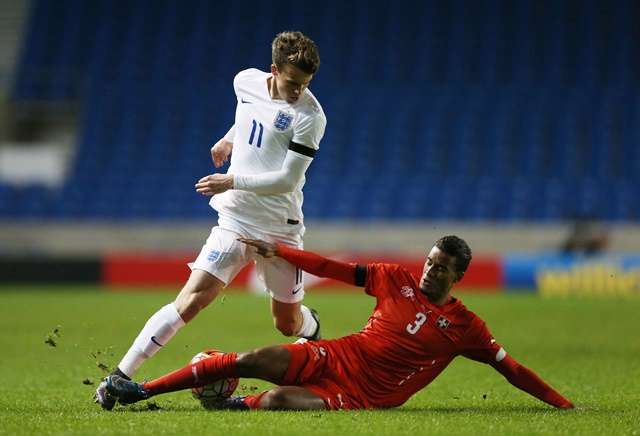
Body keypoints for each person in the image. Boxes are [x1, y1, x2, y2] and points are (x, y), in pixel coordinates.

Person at [95, 31, 327, 410]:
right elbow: (251, 114)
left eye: (305, 85)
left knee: (286, 325)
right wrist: (229, 139)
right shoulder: (245, 81)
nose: (298, 91)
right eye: (292, 83)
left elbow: (287, 180)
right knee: (191, 300)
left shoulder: (311, 117)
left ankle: (310, 327)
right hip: (235, 218)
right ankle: (120, 375)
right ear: (273, 71)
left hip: (279, 227)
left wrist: (230, 179)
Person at [104, 236, 575, 411]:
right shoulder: (394, 278)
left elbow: (509, 368)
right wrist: (283, 253)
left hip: (366, 395)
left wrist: (559, 403)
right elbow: (331, 268)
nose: (430, 270)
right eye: (430, 261)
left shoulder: (467, 326)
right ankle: (140, 391)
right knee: (251, 359)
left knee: (280, 401)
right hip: (341, 352)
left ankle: (231, 407)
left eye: (441, 268)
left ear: (459, 276)